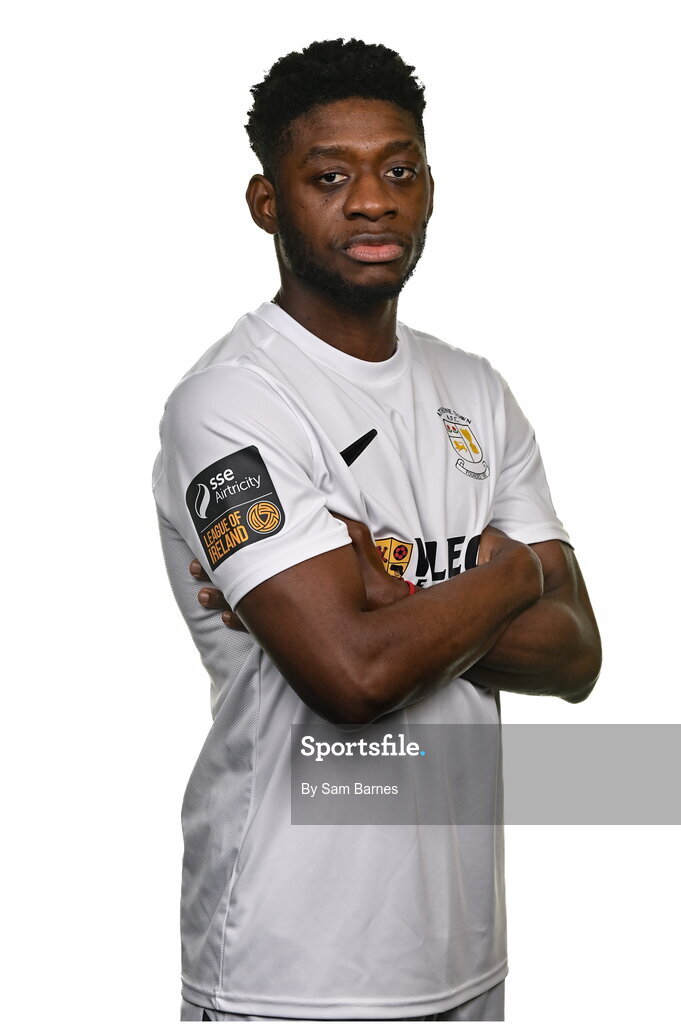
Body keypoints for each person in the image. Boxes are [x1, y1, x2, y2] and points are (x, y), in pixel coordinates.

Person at [152, 38, 601, 1023]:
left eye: (398, 169)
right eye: (329, 175)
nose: (372, 199)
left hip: (463, 956)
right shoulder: (232, 403)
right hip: (290, 971)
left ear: (429, 189)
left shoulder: (475, 390)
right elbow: (352, 677)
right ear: (268, 203)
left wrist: (392, 587)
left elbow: (577, 657)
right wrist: (519, 573)